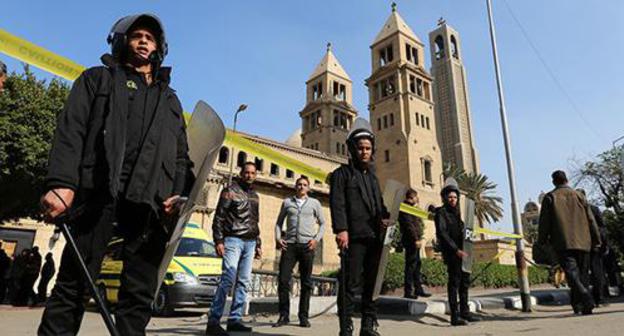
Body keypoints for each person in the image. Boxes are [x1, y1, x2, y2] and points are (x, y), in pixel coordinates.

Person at [38, 13, 193, 335]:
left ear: (159, 47)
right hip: (99, 192)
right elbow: (71, 131)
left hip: (150, 203)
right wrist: (61, 184)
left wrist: (178, 195)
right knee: (73, 284)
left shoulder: (171, 100)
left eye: (149, 37)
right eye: (137, 35)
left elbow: (181, 158)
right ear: (122, 40)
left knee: (139, 293)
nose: (143, 40)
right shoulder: (98, 79)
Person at [330, 126, 389, 336]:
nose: (364, 152)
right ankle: (346, 327)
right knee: (349, 284)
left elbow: (380, 205)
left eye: (368, 148)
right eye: (361, 148)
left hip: (374, 238)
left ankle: (368, 324)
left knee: (372, 285)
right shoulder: (341, 175)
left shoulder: (373, 178)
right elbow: (337, 204)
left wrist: (386, 217)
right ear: (352, 150)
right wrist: (341, 230)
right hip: (353, 237)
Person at [205, 162, 262, 336]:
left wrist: (258, 243)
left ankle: (234, 319)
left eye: (253, 173)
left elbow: (254, 221)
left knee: (243, 282)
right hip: (233, 240)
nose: (249, 176)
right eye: (247, 172)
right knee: (228, 280)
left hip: (250, 242)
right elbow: (219, 217)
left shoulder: (255, 196)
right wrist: (219, 241)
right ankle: (213, 321)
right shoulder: (230, 191)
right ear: (241, 173)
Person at [537, 170, 601, 315]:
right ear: (566, 180)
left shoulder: (551, 197)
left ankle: (584, 297)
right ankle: (580, 306)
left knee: (572, 274)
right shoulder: (579, 195)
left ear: (554, 182)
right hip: (584, 241)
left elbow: (544, 222)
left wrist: (542, 240)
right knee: (582, 274)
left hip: (563, 242)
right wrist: (596, 239)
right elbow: (591, 220)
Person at [273, 176, 326, 328]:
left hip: (307, 246)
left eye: (304, 185)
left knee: (306, 283)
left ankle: (304, 316)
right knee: (283, 280)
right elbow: (278, 223)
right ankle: (284, 315)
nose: (301, 187)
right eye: (299, 184)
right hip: (289, 246)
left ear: (308, 188)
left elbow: (322, 224)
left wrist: (316, 239)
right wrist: (278, 238)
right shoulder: (287, 202)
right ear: (295, 187)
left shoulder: (315, 203)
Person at [435, 183, 480, 326]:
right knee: (454, 284)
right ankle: (455, 316)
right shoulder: (441, 213)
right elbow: (442, 233)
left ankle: (465, 312)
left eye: (455, 197)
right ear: (444, 198)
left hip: (464, 253)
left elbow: (463, 231)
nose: (453, 200)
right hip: (453, 254)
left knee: (464, 283)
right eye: (450, 197)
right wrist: (456, 250)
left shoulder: (457, 214)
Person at [577, 188, 608, 305]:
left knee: (585, 273)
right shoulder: (593, 209)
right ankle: (598, 298)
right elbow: (602, 228)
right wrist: (603, 243)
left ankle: (588, 299)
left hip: (583, 245)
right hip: (593, 245)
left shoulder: (577, 212)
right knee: (596, 272)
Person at [398, 188, 431, 299]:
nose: (418, 199)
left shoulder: (411, 208)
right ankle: (408, 291)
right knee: (411, 266)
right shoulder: (405, 208)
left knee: (417, 265)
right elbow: (409, 226)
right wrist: (415, 239)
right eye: (416, 196)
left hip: (414, 240)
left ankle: (418, 289)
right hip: (411, 241)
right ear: (412, 197)